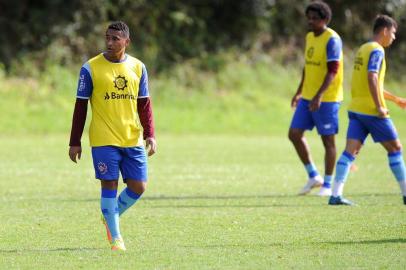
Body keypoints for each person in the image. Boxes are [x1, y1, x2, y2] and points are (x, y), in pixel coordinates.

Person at [68, 21, 157, 250]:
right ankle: (116, 238)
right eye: (107, 37)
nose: (109, 42)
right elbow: (80, 106)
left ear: (126, 42)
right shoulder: (90, 68)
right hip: (103, 138)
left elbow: (144, 104)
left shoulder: (138, 67)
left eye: (115, 39)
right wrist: (74, 141)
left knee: (139, 186)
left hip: (132, 137)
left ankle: (110, 214)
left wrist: (150, 134)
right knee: (109, 183)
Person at [329, 15, 406, 205]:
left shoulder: (363, 48)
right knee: (396, 148)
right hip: (372, 110)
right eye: (393, 33)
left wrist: (394, 99)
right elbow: (372, 77)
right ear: (385, 30)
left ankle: (335, 195)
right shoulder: (378, 50)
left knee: (350, 151)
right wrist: (380, 106)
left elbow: (370, 83)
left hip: (356, 109)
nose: (394, 37)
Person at [288, 1, 343, 196]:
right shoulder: (310, 37)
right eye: (308, 18)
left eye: (315, 18)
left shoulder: (332, 40)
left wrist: (319, 96)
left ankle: (328, 185)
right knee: (294, 134)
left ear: (325, 19)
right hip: (308, 97)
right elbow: (307, 66)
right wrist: (299, 91)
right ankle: (314, 176)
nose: (310, 21)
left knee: (328, 141)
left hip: (327, 98)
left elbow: (333, 71)